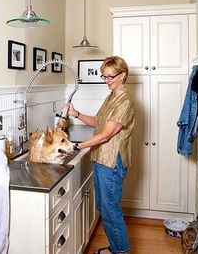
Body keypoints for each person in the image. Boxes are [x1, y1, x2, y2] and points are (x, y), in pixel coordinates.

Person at [67, 56, 135, 254]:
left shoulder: (125, 101)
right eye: (103, 76)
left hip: (112, 161)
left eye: (110, 77)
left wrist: (77, 146)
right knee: (104, 208)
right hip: (101, 158)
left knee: (110, 210)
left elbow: (106, 135)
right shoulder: (111, 96)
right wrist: (76, 113)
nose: (106, 81)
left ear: (122, 75)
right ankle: (116, 248)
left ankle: (120, 250)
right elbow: (98, 121)